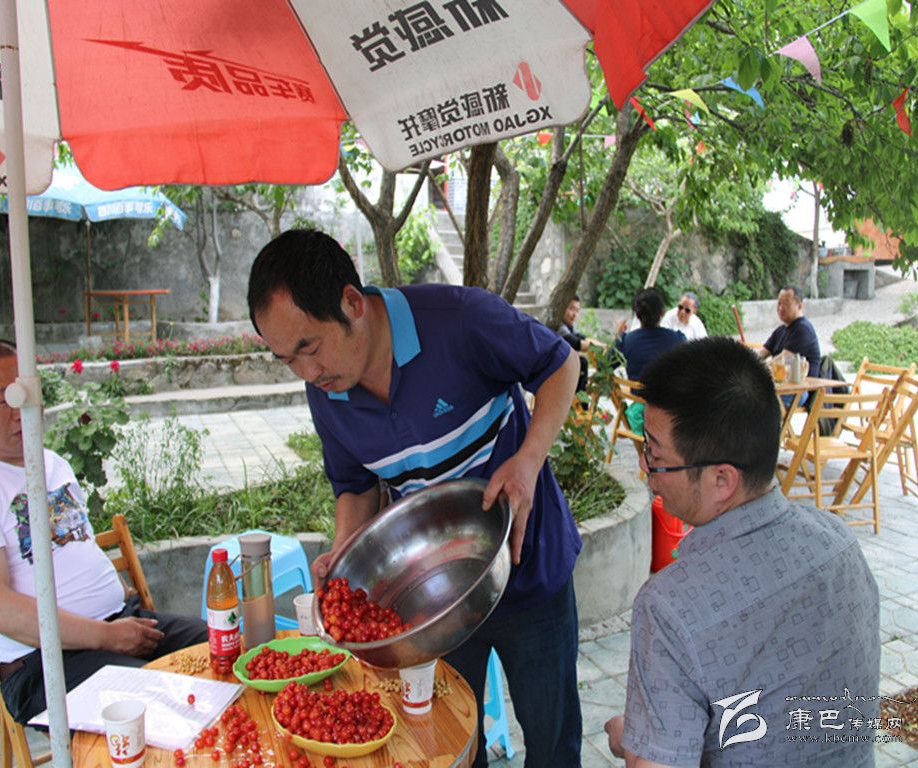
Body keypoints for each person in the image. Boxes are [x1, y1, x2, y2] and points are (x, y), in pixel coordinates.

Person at [247, 229, 583, 767]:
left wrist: (528, 461)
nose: (308, 373)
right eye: (288, 360)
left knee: (552, 742)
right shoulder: (327, 391)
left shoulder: (460, 320)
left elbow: (561, 365)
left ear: (351, 302)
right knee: (450, 744)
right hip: (433, 604)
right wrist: (342, 551)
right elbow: (355, 484)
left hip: (529, 568)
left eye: (309, 347)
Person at [605, 337, 880, 767]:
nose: (644, 466)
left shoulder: (669, 605)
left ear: (722, 480)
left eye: (654, 454)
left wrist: (631, 739)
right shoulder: (840, 543)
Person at [0, 340, 208, 725]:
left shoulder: (52, 464)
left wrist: (116, 614)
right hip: (43, 664)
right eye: (5, 400)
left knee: (229, 648)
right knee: (159, 708)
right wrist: (105, 636)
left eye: (29, 394)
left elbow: (74, 548)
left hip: (121, 622)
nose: (22, 411)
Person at [607, 287, 685, 435]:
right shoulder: (677, 340)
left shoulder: (626, 341)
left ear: (637, 315)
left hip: (640, 418)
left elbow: (605, 366)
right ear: (662, 312)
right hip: (671, 417)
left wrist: (617, 336)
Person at [758, 285, 822, 382]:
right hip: (781, 384)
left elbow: (781, 360)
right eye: (779, 303)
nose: (781, 308)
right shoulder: (780, 330)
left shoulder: (803, 329)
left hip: (802, 387)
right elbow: (761, 354)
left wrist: (755, 368)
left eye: (786, 304)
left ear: (799, 306)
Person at [557, 294, 603, 394]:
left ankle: (579, 398)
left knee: (581, 362)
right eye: (571, 309)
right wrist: (598, 347)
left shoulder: (568, 326)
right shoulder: (559, 326)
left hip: (561, 366)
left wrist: (601, 344)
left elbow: (582, 337)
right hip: (555, 369)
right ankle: (578, 399)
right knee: (581, 362)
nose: (574, 314)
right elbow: (576, 343)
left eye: (577, 310)